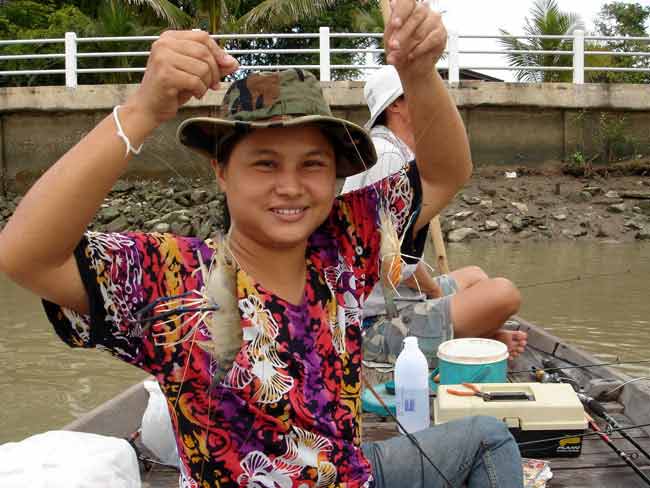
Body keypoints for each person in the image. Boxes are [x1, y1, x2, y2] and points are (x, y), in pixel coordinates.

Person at [0, 2, 523, 487]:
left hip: (350, 474)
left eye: (312, 164)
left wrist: (418, 71)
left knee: (488, 436)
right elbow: (26, 254)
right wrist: (142, 109)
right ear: (222, 171)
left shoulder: (345, 243)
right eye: (265, 163)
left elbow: (446, 171)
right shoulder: (176, 276)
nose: (291, 186)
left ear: (336, 175)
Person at [343, 65, 527, 358]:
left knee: (476, 276)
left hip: (400, 296)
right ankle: (484, 337)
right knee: (503, 293)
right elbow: (388, 258)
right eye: (420, 95)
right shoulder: (387, 157)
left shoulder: (397, 150)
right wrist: (434, 292)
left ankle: (481, 334)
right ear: (396, 105)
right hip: (374, 322)